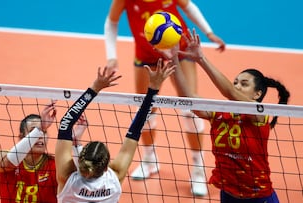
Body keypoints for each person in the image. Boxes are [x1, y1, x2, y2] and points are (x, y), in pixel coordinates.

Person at [104, 0, 225, 196]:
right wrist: (111, 56)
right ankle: (150, 160)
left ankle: (198, 169)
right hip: (146, 53)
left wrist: (208, 32)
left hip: (180, 50)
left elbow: (188, 6)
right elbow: (111, 22)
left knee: (190, 108)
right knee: (145, 109)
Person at [169, 29, 289, 202]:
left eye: (244, 84)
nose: (237, 86)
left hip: (259, 198)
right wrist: (174, 59)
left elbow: (230, 92)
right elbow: (187, 98)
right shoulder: (220, 113)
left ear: (257, 94)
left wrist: (201, 59)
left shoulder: (259, 115)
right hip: (228, 195)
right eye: (235, 83)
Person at [55, 63, 175, 202]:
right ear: (106, 168)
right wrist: (154, 88)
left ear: (79, 159)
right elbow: (135, 131)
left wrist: (95, 88)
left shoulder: (66, 177)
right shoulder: (115, 177)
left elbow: (65, 123)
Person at [0, 103, 87, 203]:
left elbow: (85, 180)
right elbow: (7, 164)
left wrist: (76, 143)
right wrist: (39, 129)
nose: (40, 136)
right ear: (21, 137)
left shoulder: (56, 165)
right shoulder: (4, 157)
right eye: (33, 131)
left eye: (44, 132)